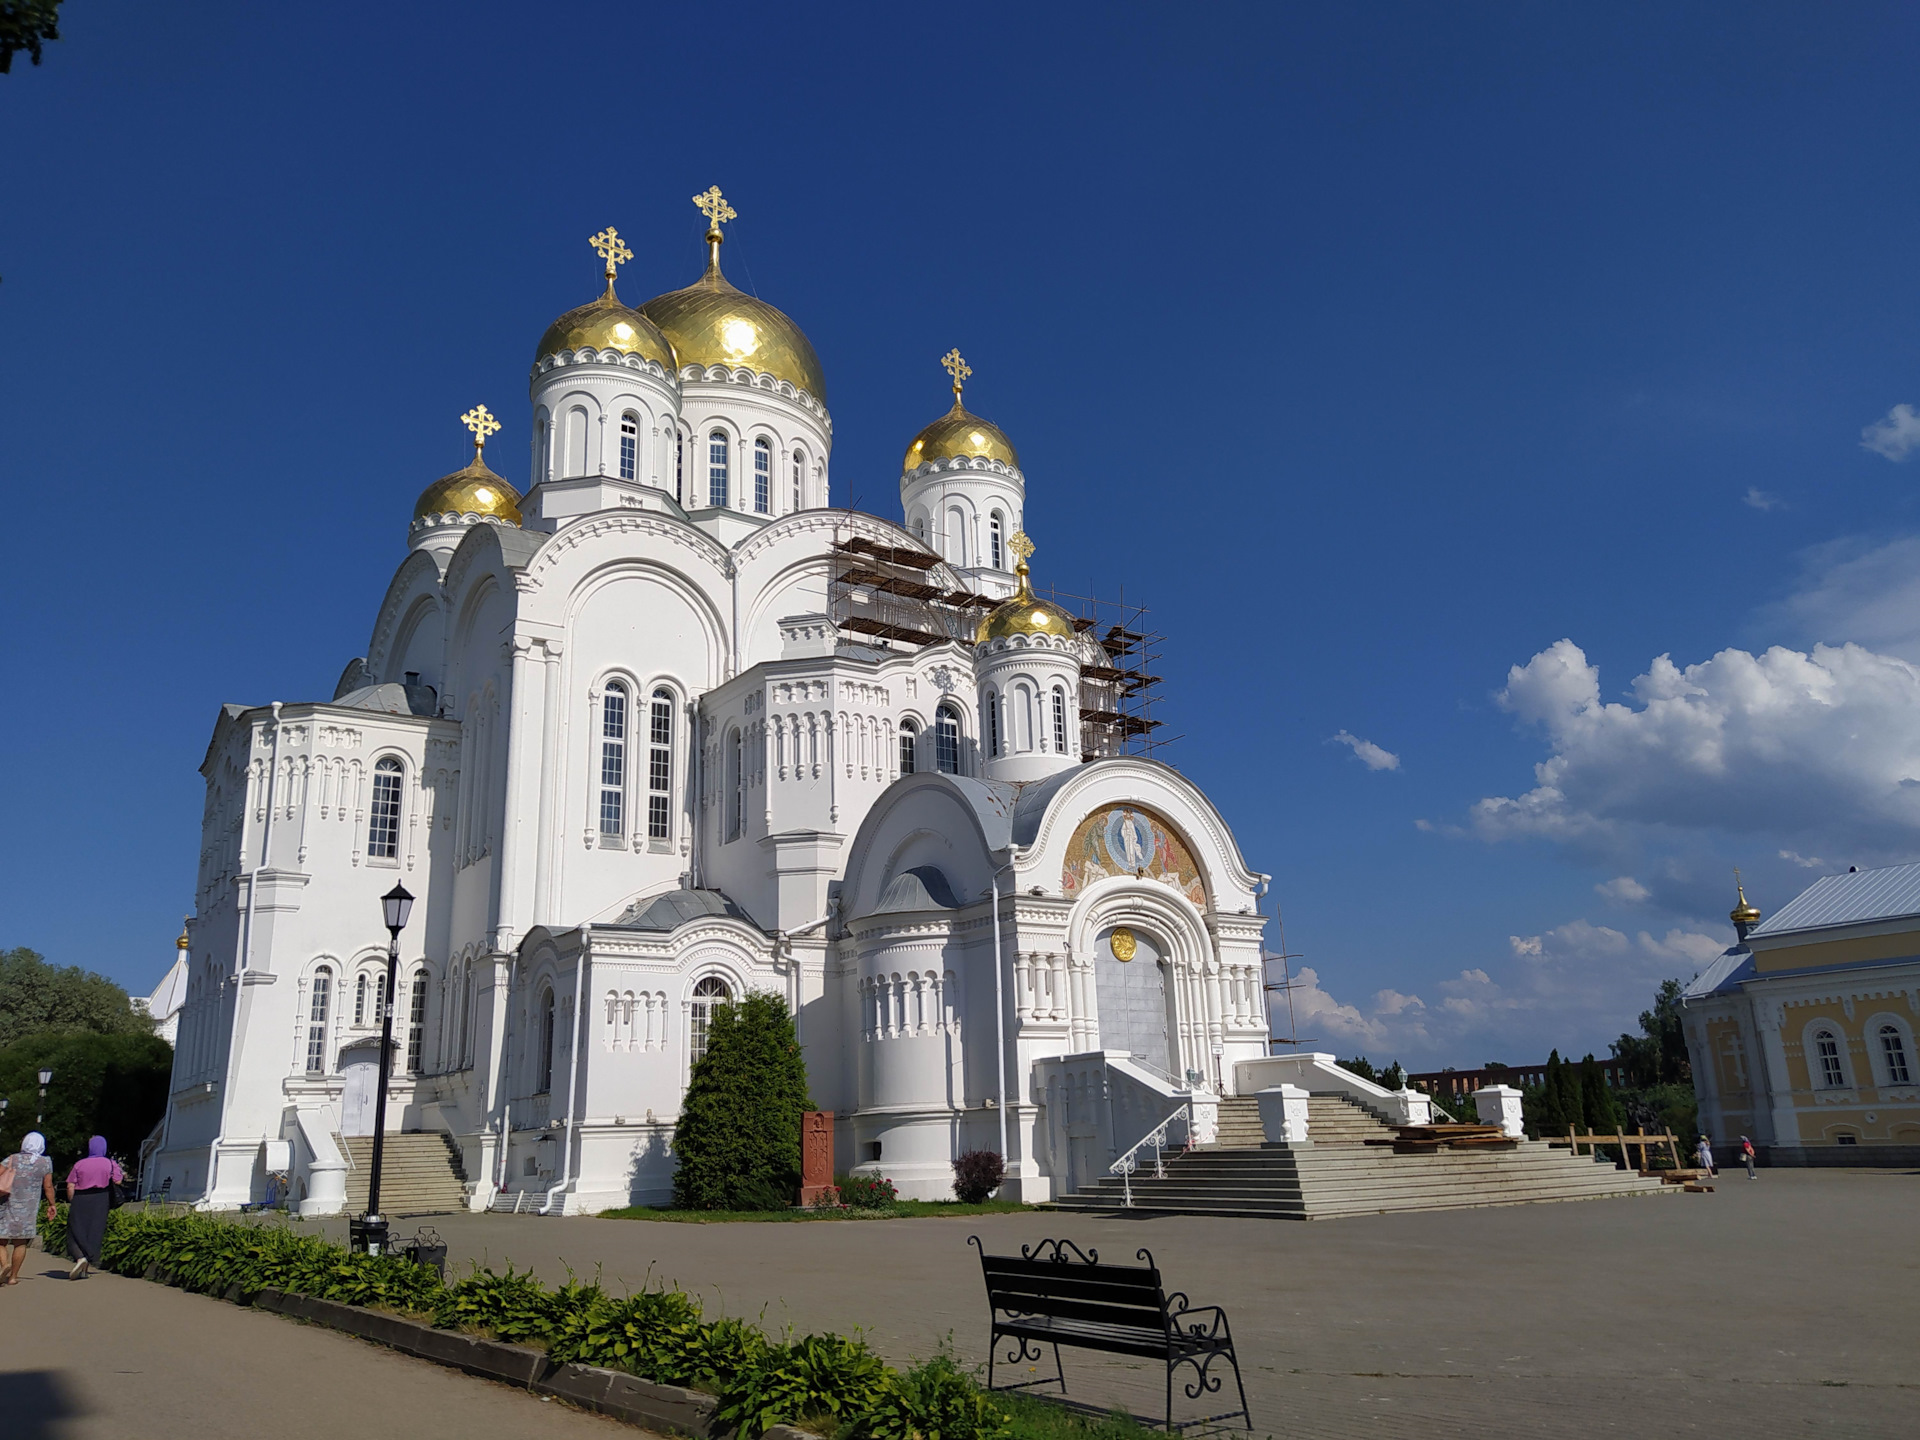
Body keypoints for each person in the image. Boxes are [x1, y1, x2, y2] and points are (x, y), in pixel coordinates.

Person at [1, 1132, 58, 1286]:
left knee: (1, 1240)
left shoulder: (12, 1159)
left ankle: (4, 1264)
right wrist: (52, 1204)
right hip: (29, 1208)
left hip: (7, 1204)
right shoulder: (45, 1162)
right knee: (20, 1243)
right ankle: (13, 1276)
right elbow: (48, 1186)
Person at [64, 1136, 124, 1279]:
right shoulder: (110, 1163)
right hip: (101, 1199)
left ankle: (80, 1258)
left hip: (80, 1198)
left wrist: (74, 1201)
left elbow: (70, 1185)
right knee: (94, 1230)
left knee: (75, 1230)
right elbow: (118, 1180)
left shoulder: (79, 1164)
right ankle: (87, 1261)